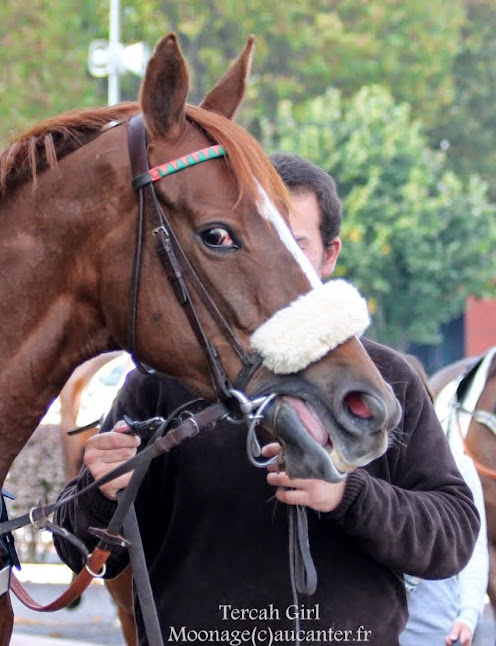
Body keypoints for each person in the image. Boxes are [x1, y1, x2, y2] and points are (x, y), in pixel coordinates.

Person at [53, 153, 480, 646]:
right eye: (257, 247)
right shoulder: (161, 381)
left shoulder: (388, 380)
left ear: (329, 255)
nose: (273, 271)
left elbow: (453, 536)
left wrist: (348, 496)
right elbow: (77, 548)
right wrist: (102, 491)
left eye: (294, 248)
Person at [399, 356, 489, 646]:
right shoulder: (358, 473)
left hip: (438, 634)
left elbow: (474, 549)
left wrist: (468, 614)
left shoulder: (457, 466)